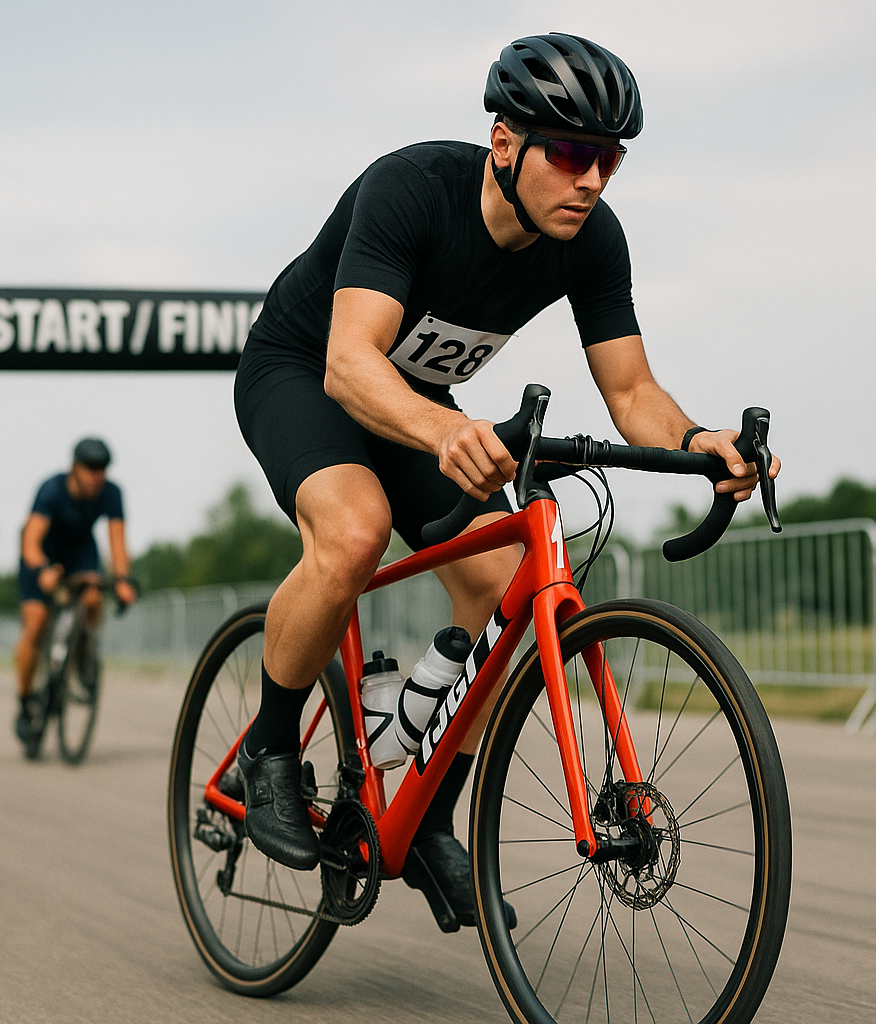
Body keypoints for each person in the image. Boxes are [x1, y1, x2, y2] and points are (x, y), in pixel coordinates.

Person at [233, 32, 780, 927]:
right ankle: (268, 752)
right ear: (503, 142)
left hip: (415, 395)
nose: (592, 179)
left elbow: (632, 390)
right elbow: (349, 362)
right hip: (306, 367)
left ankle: (431, 809)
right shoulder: (410, 189)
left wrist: (698, 440)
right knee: (355, 528)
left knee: (499, 588)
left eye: (609, 159)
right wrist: (448, 428)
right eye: (571, 154)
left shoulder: (591, 240)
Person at [13, 437, 138, 741]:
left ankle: (83, 655)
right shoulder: (52, 489)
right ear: (75, 468)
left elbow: (117, 542)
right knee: (36, 623)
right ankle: (25, 700)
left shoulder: (111, 493)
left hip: (80, 554)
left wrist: (123, 580)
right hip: (44, 554)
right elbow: (30, 540)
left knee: (94, 597)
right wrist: (43, 569)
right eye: (90, 469)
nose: (97, 476)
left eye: (102, 469)